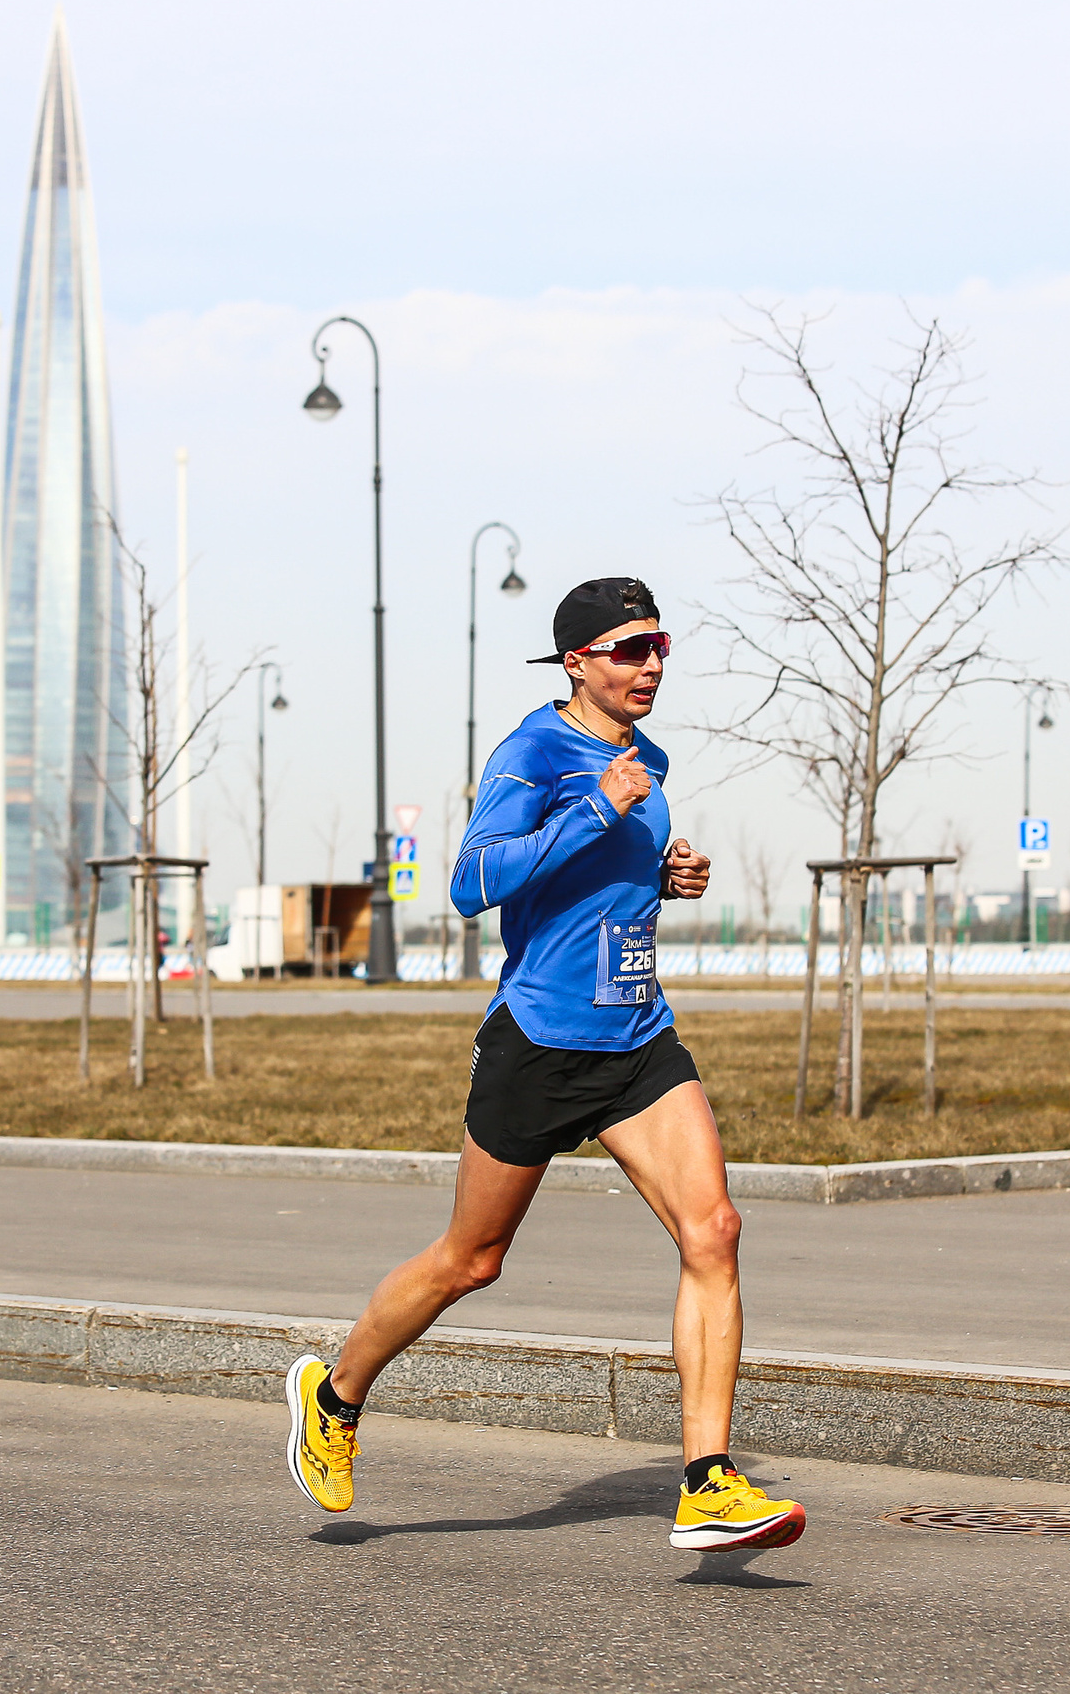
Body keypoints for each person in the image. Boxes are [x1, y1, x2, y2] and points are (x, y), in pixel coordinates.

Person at [284, 576, 804, 1554]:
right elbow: (474, 881)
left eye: (659, 647)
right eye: (629, 649)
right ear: (577, 663)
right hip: (539, 1041)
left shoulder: (646, 757)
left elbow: (603, 884)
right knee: (468, 1262)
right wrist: (596, 813)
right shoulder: (533, 753)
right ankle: (336, 1396)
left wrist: (666, 876)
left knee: (714, 1231)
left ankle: (707, 1480)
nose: (650, 665)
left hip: (636, 1037)